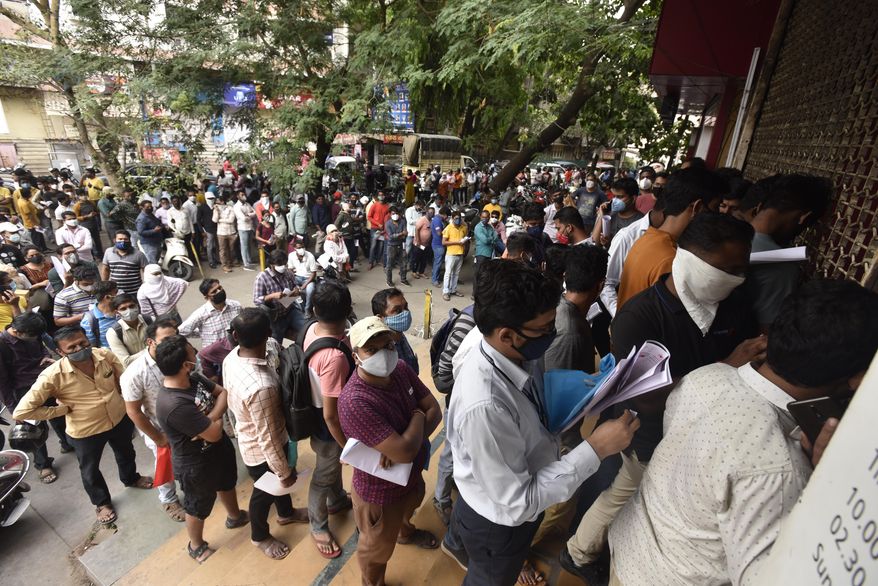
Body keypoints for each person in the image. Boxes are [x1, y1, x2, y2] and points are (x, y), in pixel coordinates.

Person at [608, 279, 878, 585]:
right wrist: (823, 486)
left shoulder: (706, 378)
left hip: (632, 547)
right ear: (857, 379)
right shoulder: (777, 470)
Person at [562, 213, 763, 583]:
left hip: (703, 432)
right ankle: (580, 552)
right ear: (688, 258)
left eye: (741, 269)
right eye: (726, 269)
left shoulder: (734, 305)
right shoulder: (638, 318)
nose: (736, 278)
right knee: (626, 492)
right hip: (651, 433)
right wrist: (726, 366)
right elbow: (646, 398)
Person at [441, 260, 638, 585]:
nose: (552, 333)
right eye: (544, 329)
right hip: (498, 523)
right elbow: (518, 502)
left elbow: (530, 400)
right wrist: (596, 447)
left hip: (490, 494)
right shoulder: (485, 406)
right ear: (507, 334)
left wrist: (584, 387)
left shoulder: (505, 347)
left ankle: (463, 543)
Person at [338, 316, 443, 585]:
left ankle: (405, 532)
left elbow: (436, 411)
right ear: (356, 355)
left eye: (388, 346)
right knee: (376, 551)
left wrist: (404, 442)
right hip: (380, 494)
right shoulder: (355, 400)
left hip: (410, 476)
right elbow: (409, 442)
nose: (383, 355)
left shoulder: (401, 370)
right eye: (371, 350)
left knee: (410, 507)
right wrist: (417, 416)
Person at [14, 326, 153, 524]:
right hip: (86, 431)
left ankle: (131, 478)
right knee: (90, 470)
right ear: (61, 352)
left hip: (118, 418)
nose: (81, 348)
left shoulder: (104, 355)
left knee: (126, 452)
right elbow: (22, 411)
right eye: (73, 347)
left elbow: (123, 380)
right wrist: (61, 411)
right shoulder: (52, 376)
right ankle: (102, 503)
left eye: (83, 343)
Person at [224, 309, 308, 560]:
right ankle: (259, 536)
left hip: (251, 435)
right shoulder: (262, 387)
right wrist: (283, 471)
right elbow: (268, 438)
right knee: (264, 495)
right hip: (260, 451)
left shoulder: (231, 357)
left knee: (277, 486)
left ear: (236, 335)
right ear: (270, 332)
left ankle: (286, 513)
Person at [155, 334, 247, 563]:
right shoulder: (173, 404)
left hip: (217, 450)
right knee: (198, 505)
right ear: (185, 365)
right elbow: (214, 433)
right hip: (195, 464)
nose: (196, 354)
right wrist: (212, 421)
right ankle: (196, 545)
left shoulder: (194, 378)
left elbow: (223, 392)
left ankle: (234, 517)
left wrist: (208, 418)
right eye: (192, 353)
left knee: (227, 482)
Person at [616, 168, 725, 308]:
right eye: (715, 208)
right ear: (697, 208)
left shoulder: (648, 238)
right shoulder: (670, 259)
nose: (716, 217)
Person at [302, 282, 356, 559]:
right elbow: (331, 414)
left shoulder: (312, 328)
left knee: (330, 467)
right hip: (328, 426)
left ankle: (336, 501)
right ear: (347, 310)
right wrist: (347, 445)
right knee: (324, 474)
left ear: (315, 310)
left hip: (316, 414)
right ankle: (319, 526)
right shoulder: (334, 357)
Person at [744, 173, 831, 332]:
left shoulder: (723, 229)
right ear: (804, 218)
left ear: (761, 205)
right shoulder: (781, 265)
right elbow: (765, 335)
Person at [120, 318, 185, 521]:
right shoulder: (135, 373)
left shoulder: (183, 356)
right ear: (150, 342)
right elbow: (134, 411)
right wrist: (158, 438)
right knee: (165, 463)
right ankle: (169, 500)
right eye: (166, 339)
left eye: (176, 336)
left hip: (187, 419)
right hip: (159, 428)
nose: (173, 342)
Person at [0, 313, 71, 484]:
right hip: (23, 391)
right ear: (17, 331)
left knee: (58, 416)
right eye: (32, 336)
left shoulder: (33, 333)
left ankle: (67, 443)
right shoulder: (2, 344)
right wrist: (15, 409)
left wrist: (46, 358)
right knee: (32, 429)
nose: (34, 338)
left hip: (45, 381)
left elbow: (41, 349)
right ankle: (43, 464)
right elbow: (2, 382)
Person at [598, 197, 665, 319]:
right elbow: (608, 283)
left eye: (619, 196)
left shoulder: (673, 243)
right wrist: (620, 316)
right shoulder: (627, 237)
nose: (615, 200)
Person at [253, 249, 305, 342]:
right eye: (279, 264)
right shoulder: (262, 277)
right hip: (275, 318)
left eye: (285, 263)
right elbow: (256, 300)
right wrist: (272, 296)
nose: (283, 267)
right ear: (271, 264)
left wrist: (297, 290)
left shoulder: (288, 273)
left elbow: (295, 285)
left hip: (290, 311)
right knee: (275, 343)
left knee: (307, 328)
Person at [179, 279, 242, 347]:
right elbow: (181, 331)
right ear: (207, 297)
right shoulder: (201, 314)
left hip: (235, 349)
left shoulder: (236, 306)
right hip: (215, 354)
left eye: (219, 288)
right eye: (214, 291)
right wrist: (202, 333)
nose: (219, 291)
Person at [372, 288, 418, 373]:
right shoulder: (382, 353)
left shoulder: (400, 335)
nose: (405, 313)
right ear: (380, 318)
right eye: (397, 310)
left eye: (405, 307)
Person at [590, 178, 643, 247]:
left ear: (633, 199)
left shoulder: (641, 221)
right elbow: (594, 243)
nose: (614, 200)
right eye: (614, 196)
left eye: (620, 197)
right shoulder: (609, 216)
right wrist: (602, 215)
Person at [106, 294, 150, 367]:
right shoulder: (113, 333)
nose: (129, 310)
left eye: (131, 306)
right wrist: (150, 350)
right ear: (117, 312)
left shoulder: (150, 320)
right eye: (123, 309)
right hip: (136, 372)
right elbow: (126, 362)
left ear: (137, 306)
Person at [100, 230, 147, 294]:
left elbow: (146, 271)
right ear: (114, 240)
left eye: (125, 239)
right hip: (116, 292)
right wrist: (104, 286)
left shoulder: (139, 254)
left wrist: (147, 287)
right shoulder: (108, 252)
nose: (123, 241)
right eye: (120, 239)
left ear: (129, 240)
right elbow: (105, 269)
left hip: (135, 291)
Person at [81, 280, 119, 348]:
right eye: (116, 292)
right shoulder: (89, 321)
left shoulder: (123, 310)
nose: (120, 294)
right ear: (107, 297)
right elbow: (93, 348)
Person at [287, 236, 317, 317]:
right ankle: (290, 308)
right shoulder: (291, 256)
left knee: (310, 290)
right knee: (287, 288)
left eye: (303, 247)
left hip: (308, 279)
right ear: (294, 248)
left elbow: (313, 273)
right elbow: (290, 269)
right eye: (299, 248)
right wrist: (294, 283)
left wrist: (303, 286)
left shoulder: (310, 256)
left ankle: (307, 310)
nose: (302, 249)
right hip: (296, 278)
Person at [441, 209, 468, 301]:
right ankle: (445, 292)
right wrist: (457, 242)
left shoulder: (463, 227)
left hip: (460, 253)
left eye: (459, 218)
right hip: (451, 254)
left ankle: (453, 290)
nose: (458, 220)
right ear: (452, 219)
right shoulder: (448, 228)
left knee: (456, 274)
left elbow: (465, 234)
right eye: (456, 218)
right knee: (448, 273)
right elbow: (444, 242)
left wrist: (464, 242)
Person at [72, 189, 103, 259]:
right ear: (78, 197)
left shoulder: (91, 202)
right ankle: (92, 256)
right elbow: (75, 217)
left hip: (94, 223)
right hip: (84, 225)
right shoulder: (77, 206)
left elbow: (97, 211)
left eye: (85, 195)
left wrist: (95, 213)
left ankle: (100, 254)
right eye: (82, 195)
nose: (84, 196)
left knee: (97, 240)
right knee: (88, 241)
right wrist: (86, 216)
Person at [383, 206, 409, 287]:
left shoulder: (402, 221)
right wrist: (401, 234)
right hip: (391, 246)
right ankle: (389, 281)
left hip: (400, 245)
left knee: (403, 263)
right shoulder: (388, 223)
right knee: (389, 265)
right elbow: (391, 236)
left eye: (397, 213)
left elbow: (406, 232)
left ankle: (403, 279)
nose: (395, 215)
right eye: (393, 213)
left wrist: (400, 235)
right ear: (390, 214)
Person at [213, 193, 238, 273]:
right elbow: (214, 220)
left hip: (231, 232)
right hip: (221, 233)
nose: (217, 204)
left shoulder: (230, 208)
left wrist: (220, 220)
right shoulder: (216, 210)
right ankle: (224, 265)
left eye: (218, 202)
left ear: (222, 201)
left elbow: (231, 220)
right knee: (223, 250)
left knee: (231, 249)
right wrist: (217, 211)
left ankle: (231, 262)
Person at [135, 199, 165, 264]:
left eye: (151, 206)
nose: (150, 208)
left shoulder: (150, 214)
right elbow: (141, 232)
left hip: (156, 241)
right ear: (142, 208)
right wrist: (154, 230)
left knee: (156, 260)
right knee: (152, 262)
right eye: (147, 207)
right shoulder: (141, 218)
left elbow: (156, 222)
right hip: (149, 243)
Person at [233, 190, 257, 271]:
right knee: (244, 246)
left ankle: (249, 260)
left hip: (250, 227)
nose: (244, 195)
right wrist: (249, 215)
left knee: (249, 245)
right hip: (243, 228)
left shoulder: (247, 204)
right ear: (238, 196)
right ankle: (246, 264)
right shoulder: (236, 206)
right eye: (242, 194)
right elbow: (243, 218)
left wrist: (248, 215)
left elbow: (255, 213)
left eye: (244, 194)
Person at [367, 192, 390, 269]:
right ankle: (370, 262)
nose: (381, 196)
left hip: (383, 229)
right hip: (374, 228)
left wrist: (385, 227)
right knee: (373, 246)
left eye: (383, 195)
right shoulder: (374, 205)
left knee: (381, 246)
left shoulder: (387, 206)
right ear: (378, 196)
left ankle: (378, 260)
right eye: (380, 195)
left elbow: (387, 218)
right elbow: (369, 217)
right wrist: (377, 224)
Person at [198, 192, 219, 269]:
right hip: (208, 229)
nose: (211, 200)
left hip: (217, 228)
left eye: (212, 198)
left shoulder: (216, 206)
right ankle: (211, 261)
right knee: (209, 246)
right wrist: (202, 231)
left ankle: (216, 259)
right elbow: (198, 220)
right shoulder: (202, 207)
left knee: (216, 245)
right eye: (209, 198)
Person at [410, 205, 432, 279]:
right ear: (427, 213)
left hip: (426, 244)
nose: (432, 214)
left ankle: (421, 272)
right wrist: (418, 241)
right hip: (419, 244)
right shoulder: (422, 219)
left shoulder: (431, 220)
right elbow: (417, 229)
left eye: (433, 213)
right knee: (416, 258)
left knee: (424, 258)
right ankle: (414, 271)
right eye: (430, 212)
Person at [430, 206, 449, 287]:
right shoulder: (437, 220)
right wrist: (447, 230)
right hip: (438, 245)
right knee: (438, 262)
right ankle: (434, 280)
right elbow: (439, 233)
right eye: (447, 216)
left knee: (437, 262)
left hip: (438, 244)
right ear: (444, 214)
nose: (447, 218)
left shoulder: (437, 219)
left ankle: (435, 277)